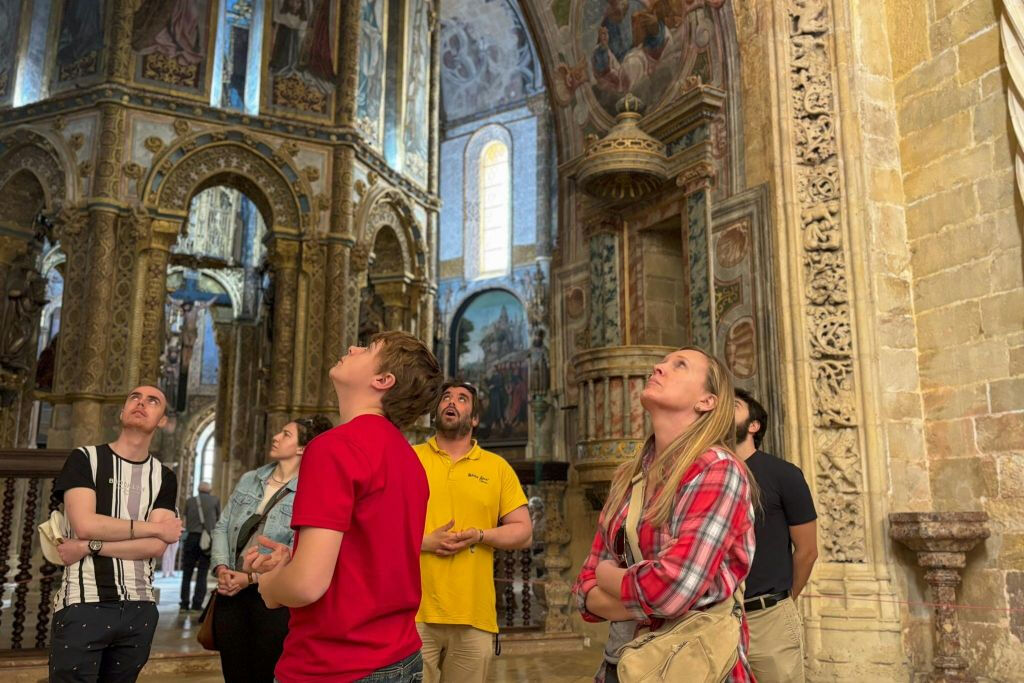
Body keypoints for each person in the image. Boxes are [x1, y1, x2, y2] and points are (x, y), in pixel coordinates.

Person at [250, 331, 443, 682]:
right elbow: (369, 558)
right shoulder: (409, 460)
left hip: (336, 662)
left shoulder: (334, 448)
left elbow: (307, 585)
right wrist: (295, 557)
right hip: (400, 656)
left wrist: (271, 585)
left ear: (383, 380)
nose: (352, 348)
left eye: (368, 349)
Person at [572, 348, 756, 683]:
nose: (659, 367)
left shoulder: (718, 469)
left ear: (707, 401)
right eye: (664, 362)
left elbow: (672, 587)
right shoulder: (628, 477)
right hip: (623, 665)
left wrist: (609, 578)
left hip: (690, 665)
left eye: (679, 365)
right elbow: (583, 591)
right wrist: (652, 595)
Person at [49, 385, 184, 683]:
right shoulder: (85, 459)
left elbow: (155, 548)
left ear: (161, 420)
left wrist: (88, 548)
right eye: (134, 397)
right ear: (122, 410)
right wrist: (157, 528)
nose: (141, 403)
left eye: (153, 401)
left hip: (140, 606)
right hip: (84, 601)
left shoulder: (164, 476)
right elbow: (85, 524)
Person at [415, 380, 533, 683]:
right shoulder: (409, 458)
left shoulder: (497, 467)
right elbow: (378, 527)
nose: (451, 402)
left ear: (475, 418)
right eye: (446, 397)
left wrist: (481, 535)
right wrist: (424, 542)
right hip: (413, 614)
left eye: (462, 399)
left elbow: (523, 532)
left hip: (474, 616)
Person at [209, 415, 333, 683]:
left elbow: (300, 547)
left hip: (273, 599)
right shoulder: (251, 479)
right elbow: (222, 526)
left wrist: (251, 578)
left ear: (303, 447)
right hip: (230, 592)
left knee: (267, 672)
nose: (276, 437)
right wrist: (222, 568)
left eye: (286, 434)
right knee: (234, 672)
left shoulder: (312, 488)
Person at [734, 389, 818, 683]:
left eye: (733, 406)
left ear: (754, 425)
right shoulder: (706, 474)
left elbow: (807, 550)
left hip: (767, 618)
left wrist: (783, 602)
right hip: (716, 618)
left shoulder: (784, 475)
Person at [180, 481, 220, 611]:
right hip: (206, 540)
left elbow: (184, 520)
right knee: (202, 573)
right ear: (210, 490)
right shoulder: (215, 500)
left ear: (197, 490)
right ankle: (197, 604)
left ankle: (184, 603)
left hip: (191, 538)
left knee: (187, 572)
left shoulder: (190, 501)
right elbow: (219, 520)